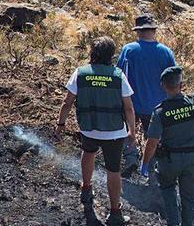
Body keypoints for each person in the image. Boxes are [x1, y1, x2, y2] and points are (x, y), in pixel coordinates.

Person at [56, 36, 135, 226]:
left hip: (89, 128)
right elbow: (129, 108)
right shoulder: (118, 75)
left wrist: (60, 124)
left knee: (88, 153)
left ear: (92, 52)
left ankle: (86, 188)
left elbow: (67, 102)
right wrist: (131, 131)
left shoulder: (80, 73)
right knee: (113, 171)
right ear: (111, 55)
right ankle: (115, 212)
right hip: (114, 132)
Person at [139, 57, 194, 226]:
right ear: (181, 85)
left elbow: (152, 142)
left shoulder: (160, 112)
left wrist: (145, 163)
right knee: (189, 198)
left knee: (168, 191)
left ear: (162, 86)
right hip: (192, 160)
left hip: (169, 162)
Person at [117, 13, 177, 175]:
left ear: (138, 31)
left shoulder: (128, 50)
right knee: (155, 138)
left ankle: (131, 159)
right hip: (158, 106)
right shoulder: (166, 52)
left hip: (132, 104)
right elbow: (175, 80)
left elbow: (119, 74)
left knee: (127, 132)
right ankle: (152, 167)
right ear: (153, 30)